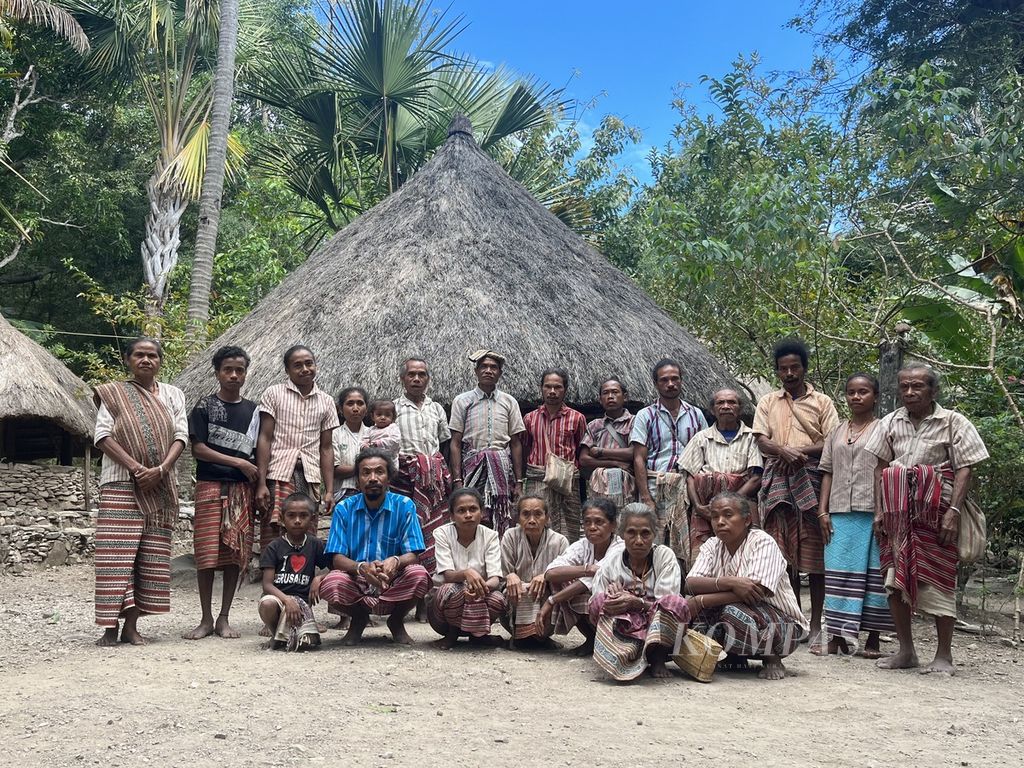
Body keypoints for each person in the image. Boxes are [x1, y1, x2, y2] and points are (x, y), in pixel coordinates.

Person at [863, 364, 989, 675]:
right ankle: (906, 651)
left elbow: (964, 469)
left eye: (917, 386)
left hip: (937, 512)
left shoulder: (953, 422)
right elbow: (880, 469)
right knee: (893, 578)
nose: (909, 392)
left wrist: (953, 512)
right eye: (904, 386)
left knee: (941, 578)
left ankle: (943, 655)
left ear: (933, 390)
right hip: (896, 511)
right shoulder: (889, 422)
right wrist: (879, 511)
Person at [92, 337, 187, 646]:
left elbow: (181, 436)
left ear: (161, 361)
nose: (146, 360)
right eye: (139, 355)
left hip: (159, 486)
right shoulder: (114, 394)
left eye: (152, 355)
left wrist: (160, 470)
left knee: (148, 556)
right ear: (128, 359)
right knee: (115, 555)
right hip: (120, 482)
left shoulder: (174, 395)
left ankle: (131, 627)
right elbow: (103, 436)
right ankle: (109, 627)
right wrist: (136, 468)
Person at [752, 338, 839, 653]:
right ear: (776, 371)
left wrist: (797, 451)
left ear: (804, 368)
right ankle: (794, 619)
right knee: (782, 555)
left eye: (794, 367)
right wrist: (782, 452)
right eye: (783, 369)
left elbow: (832, 441)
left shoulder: (823, 402)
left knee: (815, 558)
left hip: (814, 479)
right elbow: (761, 440)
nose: (789, 373)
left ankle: (817, 625)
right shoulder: (768, 402)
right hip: (778, 481)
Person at [686, 492, 808, 680]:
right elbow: (691, 583)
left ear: (747, 519)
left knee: (733, 611)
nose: (720, 522)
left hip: (783, 628)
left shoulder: (762, 542)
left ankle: (772, 658)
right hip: (744, 617)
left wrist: (700, 600)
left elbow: (756, 591)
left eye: (728, 515)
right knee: (698, 614)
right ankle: (735, 656)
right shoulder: (712, 545)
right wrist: (730, 582)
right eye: (714, 516)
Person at [184, 345, 260, 641]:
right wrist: (238, 462)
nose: (233, 375)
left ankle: (224, 617)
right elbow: (199, 449)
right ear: (217, 372)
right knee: (205, 555)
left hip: (243, 490)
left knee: (234, 555)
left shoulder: (254, 411)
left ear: (245, 373)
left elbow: (260, 448)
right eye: (227, 369)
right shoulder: (204, 407)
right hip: (210, 486)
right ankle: (205, 618)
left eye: (239, 370)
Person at [319, 448, 431, 645]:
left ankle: (396, 621)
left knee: (419, 575)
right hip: (356, 580)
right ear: (357, 479)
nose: (373, 478)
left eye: (379, 471)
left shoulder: (404, 505)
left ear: (389, 478)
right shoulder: (344, 508)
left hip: (392, 580)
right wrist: (361, 568)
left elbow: (413, 554)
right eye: (365, 472)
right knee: (330, 583)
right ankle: (359, 618)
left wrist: (396, 561)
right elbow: (336, 559)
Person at [817, 373, 894, 657]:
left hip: (873, 512)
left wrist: (883, 510)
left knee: (874, 573)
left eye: (863, 392)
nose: (856, 397)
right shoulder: (836, 431)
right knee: (839, 573)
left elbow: (887, 471)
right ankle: (836, 637)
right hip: (838, 512)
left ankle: (872, 638)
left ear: (875, 396)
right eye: (851, 392)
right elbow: (827, 471)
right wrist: (822, 510)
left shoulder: (884, 429)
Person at [588, 503, 693, 681]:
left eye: (645, 533)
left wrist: (636, 602)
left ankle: (658, 658)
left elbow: (667, 600)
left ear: (654, 535)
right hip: (627, 626)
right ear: (622, 535)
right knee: (599, 601)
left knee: (675, 603)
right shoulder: (613, 559)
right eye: (631, 533)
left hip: (656, 628)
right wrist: (611, 597)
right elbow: (596, 600)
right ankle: (624, 654)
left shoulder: (664, 556)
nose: (638, 540)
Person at [255, 345, 338, 550]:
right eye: (297, 365)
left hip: (309, 476)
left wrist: (329, 490)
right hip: (279, 473)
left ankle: (301, 580)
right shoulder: (273, 393)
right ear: (287, 370)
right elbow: (264, 438)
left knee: (306, 531)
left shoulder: (326, 402)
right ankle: (271, 578)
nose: (305, 369)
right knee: (274, 530)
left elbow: (326, 448)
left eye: (309, 363)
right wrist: (261, 483)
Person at [631, 358, 708, 566]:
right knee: (654, 539)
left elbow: (704, 451)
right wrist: (646, 497)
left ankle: (683, 592)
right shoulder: (645, 416)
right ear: (656, 384)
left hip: (688, 486)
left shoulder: (696, 414)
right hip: (656, 484)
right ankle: (654, 592)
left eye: (675, 379)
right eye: (664, 380)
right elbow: (638, 457)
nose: (670, 384)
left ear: (682, 381)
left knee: (687, 542)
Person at [679, 388, 763, 563]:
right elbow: (689, 476)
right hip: (705, 509)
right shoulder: (701, 438)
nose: (726, 406)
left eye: (731, 402)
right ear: (712, 409)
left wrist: (730, 502)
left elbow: (755, 476)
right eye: (720, 403)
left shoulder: (751, 438)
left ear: (740, 408)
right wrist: (699, 507)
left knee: (744, 555)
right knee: (705, 556)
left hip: (741, 505)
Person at [449, 349, 526, 537]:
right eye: (484, 366)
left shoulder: (509, 402)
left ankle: (497, 561)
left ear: (499, 373)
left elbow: (516, 443)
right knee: (472, 515)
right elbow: (455, 443)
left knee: (501, 516)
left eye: (493, 367)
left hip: (501, 470)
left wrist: (518, 482)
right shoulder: (462, 401)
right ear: (476, 371)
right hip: (472, 469)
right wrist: (457, 480)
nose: (488, 370)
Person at [538, 497, 622, 656]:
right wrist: (586, 569)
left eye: (599, 522)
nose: (592, 527)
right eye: (587, 522)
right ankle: (591, 639)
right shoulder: (583, 545)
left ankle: (613, 642)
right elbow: (550, 573)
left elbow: (592, 581)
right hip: (592, 597)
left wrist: (552, 600)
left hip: (617, 602)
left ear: (613, 525)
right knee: (559, 583)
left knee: (589, 590)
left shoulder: (620, 548)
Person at [428, 487, 506, 649]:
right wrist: (467, 573)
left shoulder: (490, 536)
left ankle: (477, 635)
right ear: (452, 516)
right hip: (442, 614)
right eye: (461, 511)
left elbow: (495, 578)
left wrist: (481, 588)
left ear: (482, 512)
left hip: (479, 600)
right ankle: (452, 635)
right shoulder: (442, 534)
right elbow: (448, 575)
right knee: (451, 590)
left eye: (473, 509)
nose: (468, 515)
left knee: (498, 599)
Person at [258, 493, 330, 651]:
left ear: (312, 519)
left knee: (307, 644)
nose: (297, 521)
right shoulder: (274, 547)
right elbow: (267, 585)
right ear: (282, 519)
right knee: (267, 603)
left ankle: (294, 631)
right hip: (278, 600)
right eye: (291, 516)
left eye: (303, 516)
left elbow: (336, 568)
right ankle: (275, 633)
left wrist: (319, 579)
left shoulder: (315, 545)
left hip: (303, 604)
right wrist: (287, 600)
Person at [522, 368, 586, 541]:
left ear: (565, 389)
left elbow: (581, 450)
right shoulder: (530, 418)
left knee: (569, 526)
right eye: (547, 387)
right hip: (538, 478)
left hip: (567, 482)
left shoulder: (577, 418)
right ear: (541, 388)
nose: (552, 391)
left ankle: (567, 564)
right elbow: (526, 448)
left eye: (557, 387)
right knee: (537, 521)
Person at [500, 495, 569, 646]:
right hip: (515, 596)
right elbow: (505, 573)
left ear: (547, 518)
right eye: (526, 514)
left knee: (546, 589)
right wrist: (511, 575)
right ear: (518, 518)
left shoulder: (559, 541)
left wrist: (546, 576)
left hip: (547, 598)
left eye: (538, 514)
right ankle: (520, 635)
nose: (532, 520)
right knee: (512, 589)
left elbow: (564, 574)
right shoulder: (510, 536)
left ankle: (541, 636)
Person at [579, 378, 636, 512]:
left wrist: (600, 452)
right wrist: (615, 463)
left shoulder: (635, 422)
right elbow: (583, 459)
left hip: (628, 486)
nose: (610, 396)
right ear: (600, 399)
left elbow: (634, 453)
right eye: (605, 393)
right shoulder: (594, 425)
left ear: (625, 397)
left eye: (615, 392)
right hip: (600, 486)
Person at [332, 386, 368, 502]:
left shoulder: (374, 433)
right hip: (343, 493)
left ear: (366, 409)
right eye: (350, 403)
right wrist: (364, 469)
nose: (355, 408)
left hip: (371, 492)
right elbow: (334, 470)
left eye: (360, 403)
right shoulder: (334, 434)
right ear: (340, 409)